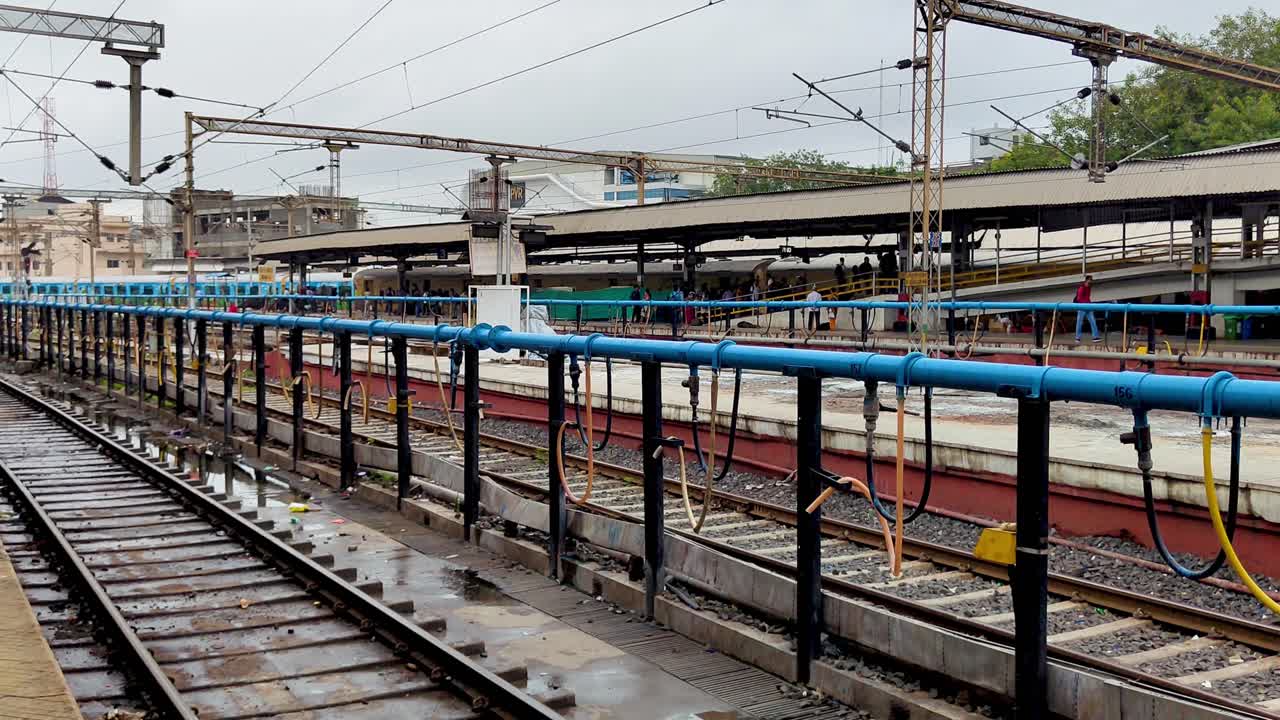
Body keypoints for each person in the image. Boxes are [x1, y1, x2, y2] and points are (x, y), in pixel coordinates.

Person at [1074, 275, 1101, 343]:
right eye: (1090, 280)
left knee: (1093, 321)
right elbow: (1078, 298)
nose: (1091, 281)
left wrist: (1088, 303)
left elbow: (1087, 297)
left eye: (1091, 280)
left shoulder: (1089, 287)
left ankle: (1095, 337)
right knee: (1079, 322)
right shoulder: (1082, 288)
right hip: (1082, 306)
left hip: (1088, 306)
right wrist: (1084, 303)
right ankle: (1077, 337)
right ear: (1086, 280)